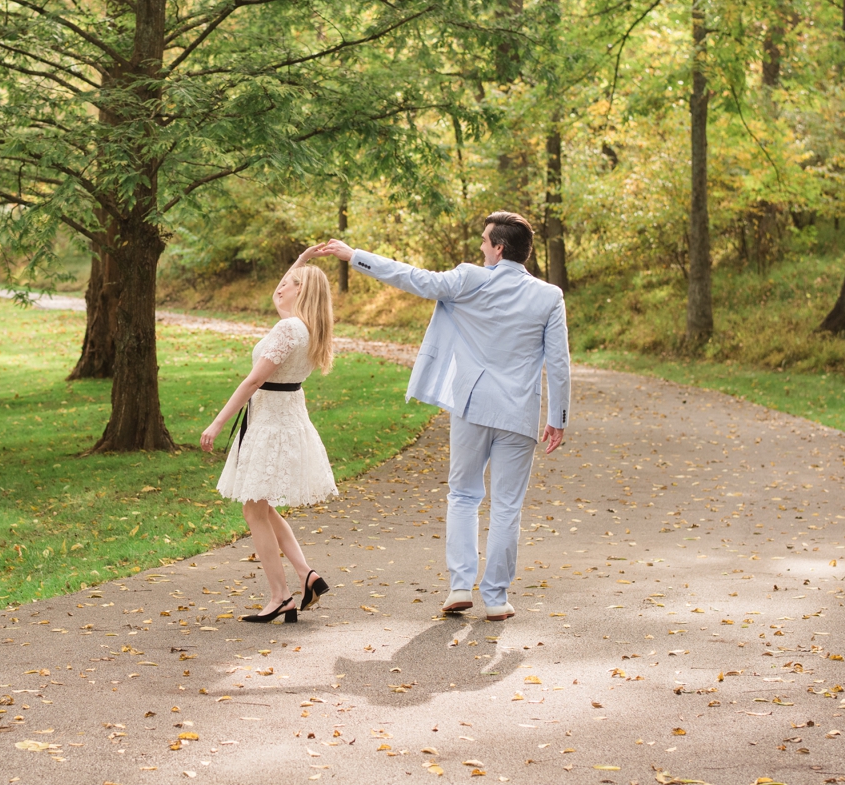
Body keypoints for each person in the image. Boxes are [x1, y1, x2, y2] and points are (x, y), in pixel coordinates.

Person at [320, 212, 569, 621]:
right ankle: (496, 598)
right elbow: (558, 362)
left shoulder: (468, 279)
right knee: (507, 507)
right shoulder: (548, 296)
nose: (481, 249)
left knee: (464, 496)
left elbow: (413, 278)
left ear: (499, 248)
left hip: (472, 406)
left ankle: (459, 586)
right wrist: (557, 417)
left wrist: (355, 256)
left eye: (485, 242)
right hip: (519, 413)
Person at [201, 247, 337, 623]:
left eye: (289, 284)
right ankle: (306, 575)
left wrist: (216, 422)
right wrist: (302, 260)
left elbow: (254, 380)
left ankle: (280, 596)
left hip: (271, 425)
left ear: (301, 292)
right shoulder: (305, 327)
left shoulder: (289, 329)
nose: (279, 288)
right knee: (262, 505)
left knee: (253, 507)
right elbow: (285, 291)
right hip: (282, 418)